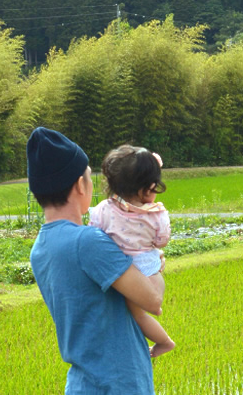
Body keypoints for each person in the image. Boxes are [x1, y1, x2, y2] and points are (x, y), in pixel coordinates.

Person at [27, 127, 162, 394]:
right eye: (89, 178)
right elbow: (153, 299)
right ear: (79, 185)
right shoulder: (88, 242)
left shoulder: (41, 248)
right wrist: (151, 254)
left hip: (82, 382)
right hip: (118, 383)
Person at [89, 144, 175, 358]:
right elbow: (162, 241)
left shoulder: (103, 209)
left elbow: (94, 235)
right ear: (147, 189)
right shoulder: (156, 214)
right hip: (150, 272)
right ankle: (160, 342)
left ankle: (162, 341)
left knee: (137, 315)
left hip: (126, 275)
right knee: (137, 315)